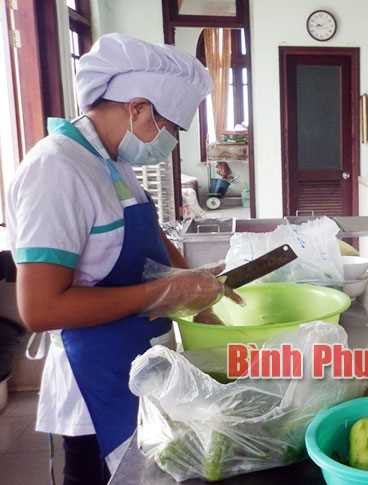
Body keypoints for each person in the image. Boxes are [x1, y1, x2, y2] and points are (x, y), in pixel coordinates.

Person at [6, 34, 234, 484]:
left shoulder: (112, 161)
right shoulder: (56, 170)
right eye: (170, 127)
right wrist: (165, 292)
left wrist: (193, 288)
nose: (169, 140)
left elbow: (147, 236)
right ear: (138, 108)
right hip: (93, 382)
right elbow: (40, 309)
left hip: (138, 363)